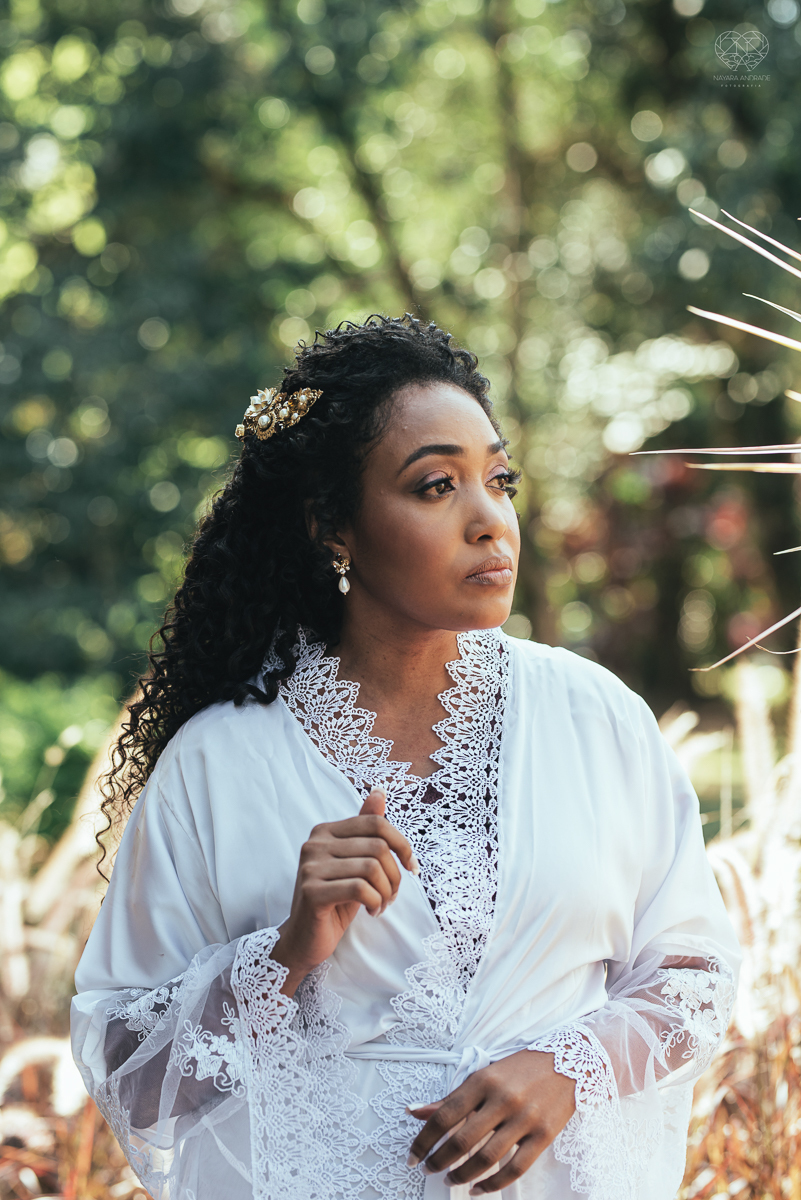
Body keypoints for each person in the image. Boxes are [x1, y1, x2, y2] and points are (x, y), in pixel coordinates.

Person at [71, 314, 740, 1200]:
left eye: (497, 480)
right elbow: (128, 1071)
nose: (488, 521)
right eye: (435, 487)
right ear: (330, 526)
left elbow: (696, 975)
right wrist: (284, 953)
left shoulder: (597, 718)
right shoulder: (219, 763)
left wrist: (567, 1068)